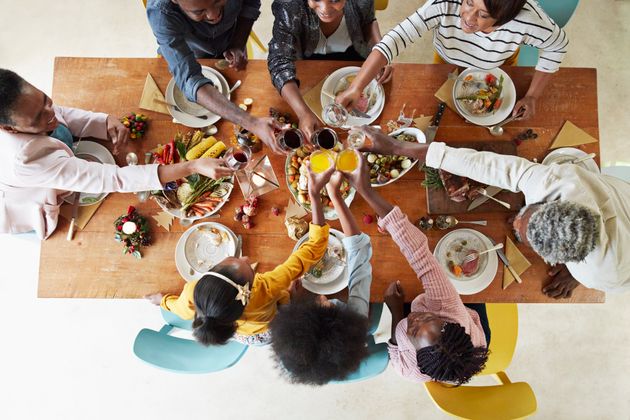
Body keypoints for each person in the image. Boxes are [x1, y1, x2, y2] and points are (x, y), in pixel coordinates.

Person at [353, 125, 630, 298]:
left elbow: (597, 274)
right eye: (526, 212)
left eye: (521, 235)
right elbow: (490, 167)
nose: (516, 219)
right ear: (553, 203)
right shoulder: (559, 183)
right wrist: (397, 146)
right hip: (620, 191)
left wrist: (576, 275)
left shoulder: (604, 273)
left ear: (555, 260)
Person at [0, 69, 232, 239]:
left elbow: (62, 115)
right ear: (10, 129)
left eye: (45, 100)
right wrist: (191, 166)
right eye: (38, 118)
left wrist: (104, 122)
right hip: (30, 197)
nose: (50, 113)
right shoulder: (27, 160)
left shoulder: (31, 107)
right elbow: (115, 179)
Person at [148, 164, 334, 346]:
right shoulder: (268, 287)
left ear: (210, 271)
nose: (245, 258)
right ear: (251, 288)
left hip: (247, 334)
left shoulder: (193, 293)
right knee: (285, 299)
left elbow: (181, 309)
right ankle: (287, 298)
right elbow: (311, 250)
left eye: (235, 259)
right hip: (269, 326)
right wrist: (314, 196)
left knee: (281, 296)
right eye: (249, 268)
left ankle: (286, 297)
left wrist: (162, 301)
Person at [343, 153, 488, 384]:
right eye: (426, 318)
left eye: (412, 329)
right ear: (445, 320)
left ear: (417, 355)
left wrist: (397, 311)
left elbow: (394, 350)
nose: (415, 319)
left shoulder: (412, 370)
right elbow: (421, 255)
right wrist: (366, 190)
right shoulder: (448, 306)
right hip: (469, 327)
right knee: (474, 293)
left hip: (442, 351)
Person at [337, 0, 568, 120]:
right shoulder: (446, 2)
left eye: (483, 15)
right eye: (469, 3)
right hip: (447, 59)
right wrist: (357, 87)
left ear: (504, 19)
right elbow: (398, 37)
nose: (467, 18)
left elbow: (557, 45)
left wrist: (533, 96)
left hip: (498, 65)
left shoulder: (530, 21)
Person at [269, 171, 372, 385]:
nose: (323, 297)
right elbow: (359, 255)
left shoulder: (290, 338)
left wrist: (292, 300)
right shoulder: (355, 323)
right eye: (327, 306)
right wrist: (334, 195)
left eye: (316, 304)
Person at [146, 0, 284, 153]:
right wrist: (252, 123)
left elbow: (250, 4)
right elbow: (189, 78)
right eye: (199, 12)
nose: (215, 16)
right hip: (188, 54)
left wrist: (238, 42)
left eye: (219, 1)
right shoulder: (161, 12)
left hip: (231, 41)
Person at [267, 0, 393, 140]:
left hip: (355, 53)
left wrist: (380, 51)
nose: (325, 9)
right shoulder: (288, 4)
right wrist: (303, 113)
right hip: (308, 61)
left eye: (335, 0)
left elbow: (369, 21)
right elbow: (279, 61)